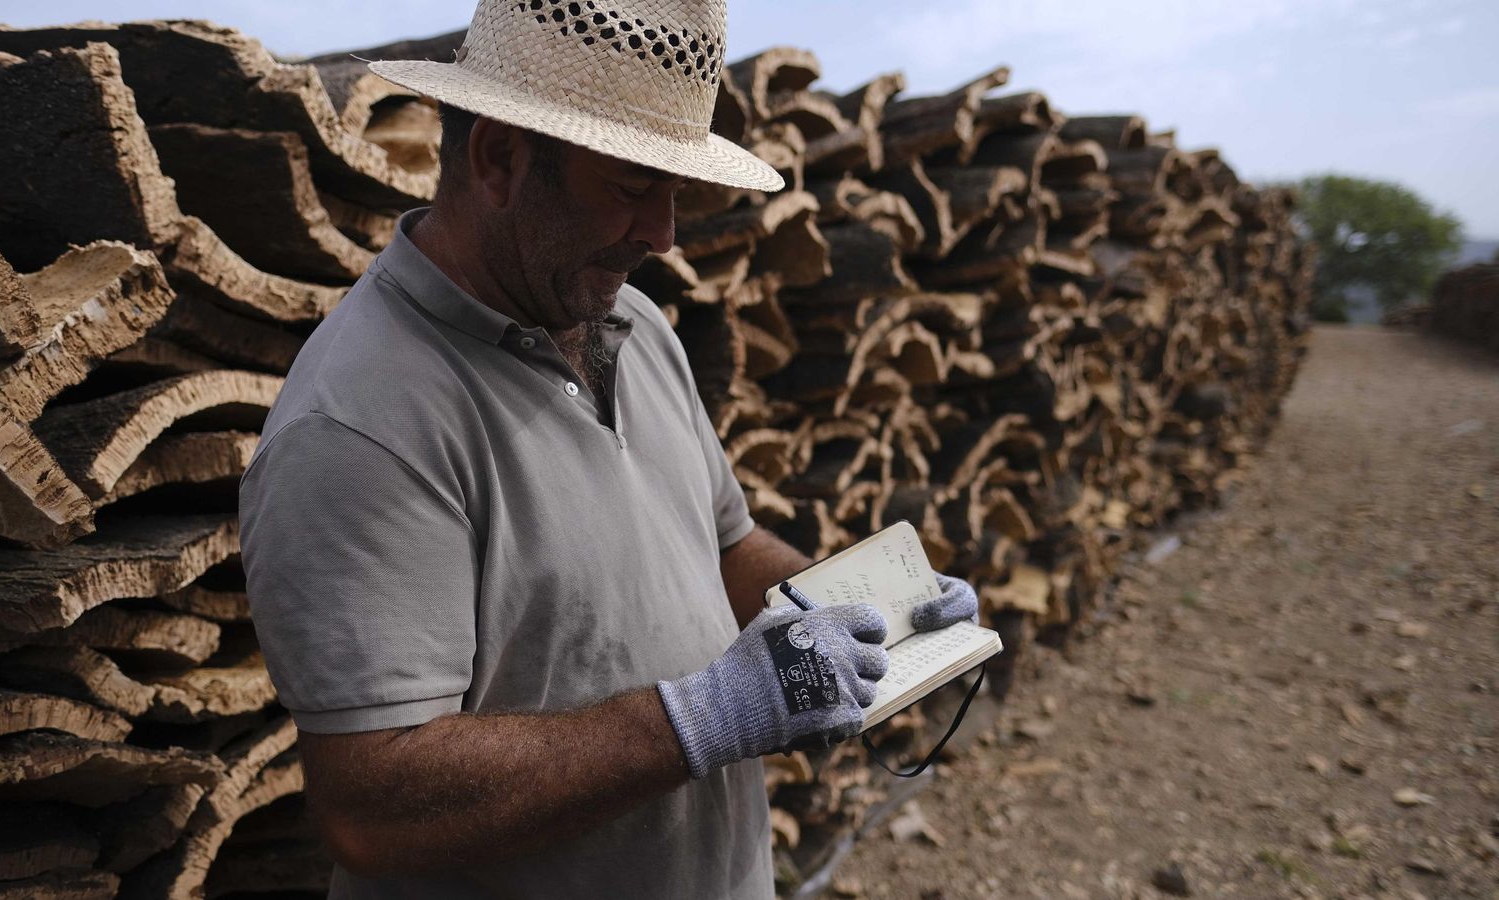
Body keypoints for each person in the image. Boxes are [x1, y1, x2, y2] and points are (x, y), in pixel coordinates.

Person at [237, 1, 980, 897]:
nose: (664, 233)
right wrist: (702, 718)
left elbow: (722, 545)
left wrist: (867, 612)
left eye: (675, 191)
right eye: (632, 187)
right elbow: (374, 803)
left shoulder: (632, 324)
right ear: (500, 159)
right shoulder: (363, 422)